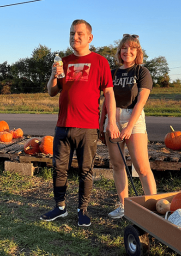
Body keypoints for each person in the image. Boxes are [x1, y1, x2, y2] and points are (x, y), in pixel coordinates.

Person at [41, 19, 120, 227]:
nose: (74, 38)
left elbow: (109, 94)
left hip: (88, 127)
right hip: (63, 125)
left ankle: (82, 210)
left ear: (90, 38)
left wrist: (111, 122)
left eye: (79, 34)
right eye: (71, 34)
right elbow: (52, 91)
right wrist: (53, 74)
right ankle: (59, 208)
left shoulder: (100, 62)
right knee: (59, 169)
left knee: (85, 170)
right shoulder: (63, 62)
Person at [99, 34, 157, 219]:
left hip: (134, 118)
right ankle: (123, 205)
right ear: (120, 51)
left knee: (142, 167)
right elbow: (106, 100)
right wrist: (103, 124)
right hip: (113, 119)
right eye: (124, 48)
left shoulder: (142, 72)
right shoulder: (112, 72)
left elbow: (141, 102)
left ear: (138, 51)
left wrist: (129, 127)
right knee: (117, 164)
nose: (128, 51)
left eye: (132, 48)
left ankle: (153, 208)